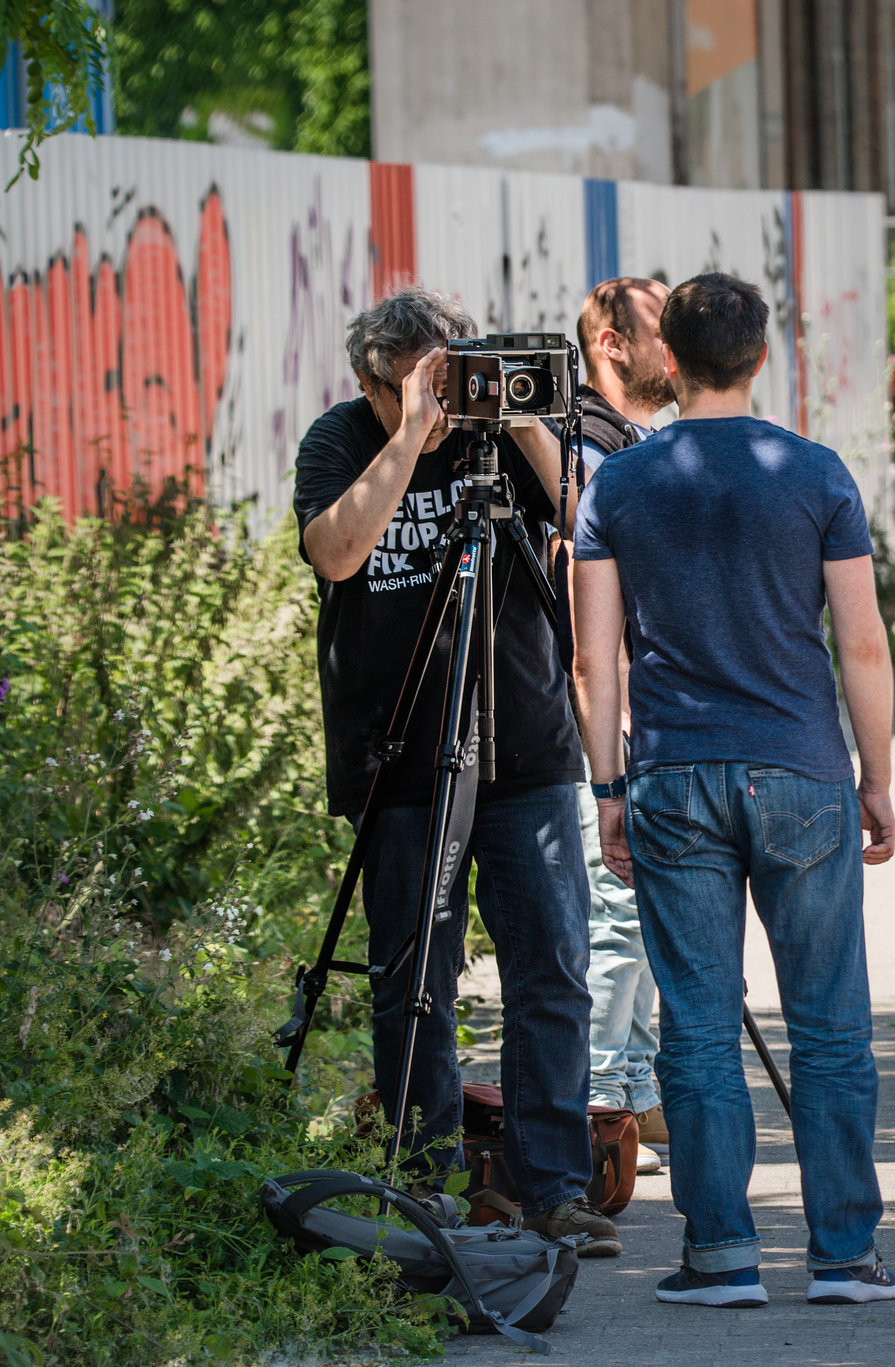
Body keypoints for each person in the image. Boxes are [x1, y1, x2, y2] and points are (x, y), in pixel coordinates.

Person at [571, 273, 895, 1307]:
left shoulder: (616, 485)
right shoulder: (813, 473)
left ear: (666, 356)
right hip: (801, 772)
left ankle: (718, 1254)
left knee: (700, 1025)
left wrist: (608, 788)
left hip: (672, 774)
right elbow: (860, 639)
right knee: (831, 1024)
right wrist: (875, 778)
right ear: (762, 356)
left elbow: (593, 666)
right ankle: (844, 1255)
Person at [294, 285, 620, 1256]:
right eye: (415, 385)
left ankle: (556, 1189)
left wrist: (512, 415)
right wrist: (409, 436)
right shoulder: (343, 438)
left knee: (553, 969)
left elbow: (587, 516)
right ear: (370, 383)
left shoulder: (504, 439)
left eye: (450, 373)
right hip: (401, 764)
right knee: (413, 981)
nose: (439, 399)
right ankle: (423, 1187)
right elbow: (338, 553)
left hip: (523, 748)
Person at [562, 276, 673, 1169]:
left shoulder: (629, 441)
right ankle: (604, 1107)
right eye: (659, 329)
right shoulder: (586, 450)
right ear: (612, 341)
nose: (675, 349)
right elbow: (590, 607)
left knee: (637, 909)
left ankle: (635, 1091)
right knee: (613, 910)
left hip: (632, 707)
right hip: (602, 715)